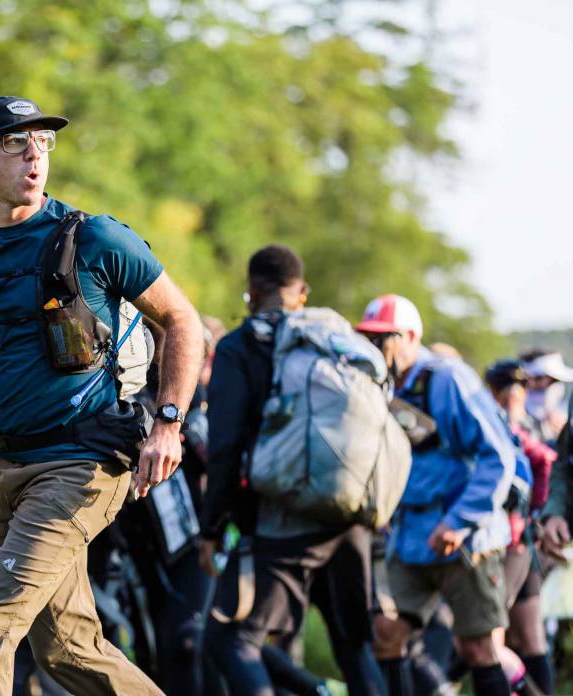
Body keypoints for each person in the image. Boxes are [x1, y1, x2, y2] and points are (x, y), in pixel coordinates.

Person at [0, 95, 204, 695]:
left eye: (42, 141)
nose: (34, 154)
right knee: (66, 649)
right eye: (15, 143)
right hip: (12, 467)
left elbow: (182, 319)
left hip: (84, 462)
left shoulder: (96, 238)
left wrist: (168, 422)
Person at [200, 244, 381, 696]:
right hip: (349, 512)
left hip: (284, 518)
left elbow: (224, 446)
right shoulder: (333, 340)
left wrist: (212, 527)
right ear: (302, 292)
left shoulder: (240, 346)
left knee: (231, 638)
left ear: (252, 290)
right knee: (354, 646)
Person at [355, 295, 517, 696]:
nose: (376, 347)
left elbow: (499, 457)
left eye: (385, 338)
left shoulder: (448, 379)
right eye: (369, 338)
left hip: (463, 539)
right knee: (386, 635)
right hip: (409, 538)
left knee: (478, 648)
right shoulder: (379, 386)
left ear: (411, 337)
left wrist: (459, 521)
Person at [484, 359, 555, 695]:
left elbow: (545, 463)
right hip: (527, 539)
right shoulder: (534, 423)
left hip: (511, 542)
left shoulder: (505, 426)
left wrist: (534, 512)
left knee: (491, 641)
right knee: (530, 637)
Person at [520, 350, 573, 444]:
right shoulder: (518, 417)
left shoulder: (563, 415)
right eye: (551, 380)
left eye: (555, 381)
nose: (554, 386)